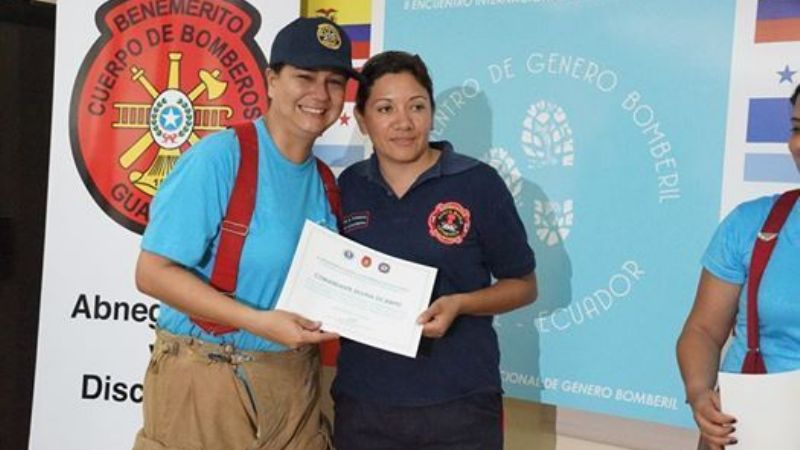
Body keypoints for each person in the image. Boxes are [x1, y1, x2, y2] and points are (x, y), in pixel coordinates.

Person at [131, 17, 360, 450]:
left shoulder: (325, 183)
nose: (320, 94)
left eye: (334, 82)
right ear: (272, 80)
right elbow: (152, 273)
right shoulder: (219, 158)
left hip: (294, 384)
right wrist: (258, 323)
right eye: (304, 77)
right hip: (208, 381)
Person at [331, 51, 538, 450]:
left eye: (416, 106)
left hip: (459, 406)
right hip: (364, 405)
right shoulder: (348, 187)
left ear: (431, 112)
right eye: (385, 109)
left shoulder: (478, 183)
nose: (403, 123)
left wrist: (461, 304)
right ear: (361, 119)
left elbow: (524, 285)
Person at [676, 84, 800, 450]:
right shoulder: (750, 223)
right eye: (797, 128)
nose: (798, 144)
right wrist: (699, 394)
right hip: (747, 432)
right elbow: (702, 330)